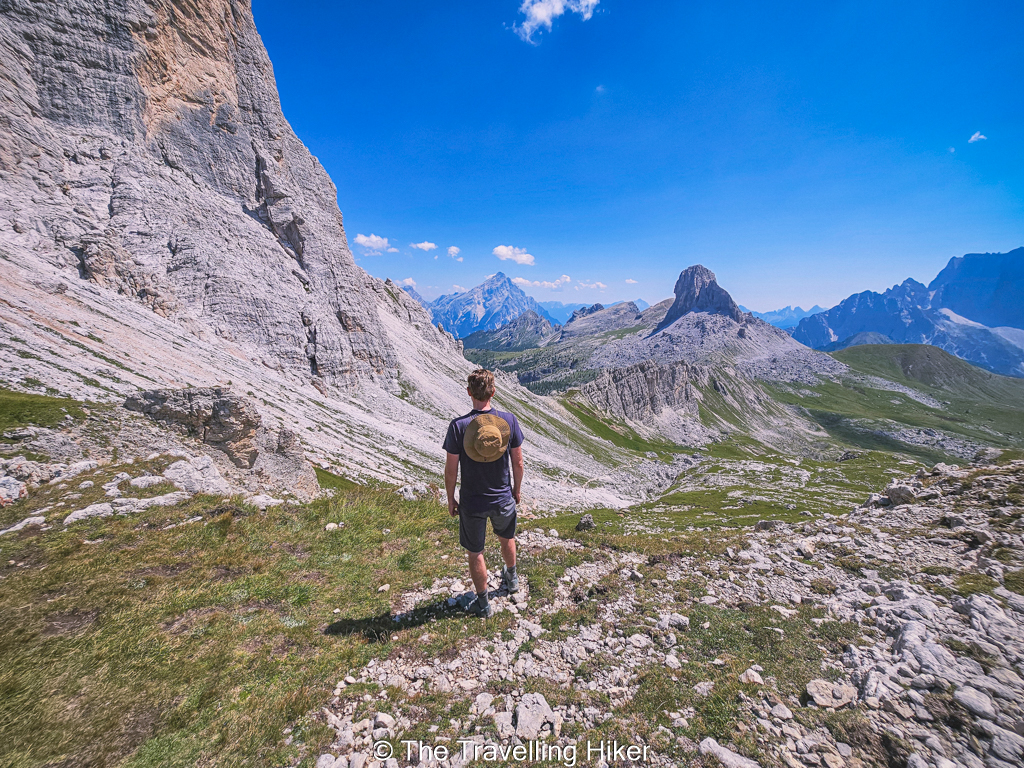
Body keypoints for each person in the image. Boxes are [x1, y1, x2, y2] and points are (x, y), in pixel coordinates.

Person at [443, 368, 524, 618]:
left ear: (469, 392)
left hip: (472, 501)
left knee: (475, 551)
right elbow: (518, 463)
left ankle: (483, 604)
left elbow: (451, 470)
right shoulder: (509, 421)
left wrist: (450, 499)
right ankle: (511, 580)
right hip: (502, 497)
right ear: (493, 391)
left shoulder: (459, 426)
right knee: (506, 536)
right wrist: (516, 491)